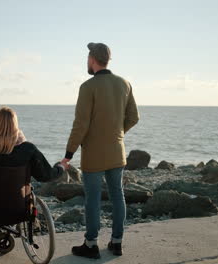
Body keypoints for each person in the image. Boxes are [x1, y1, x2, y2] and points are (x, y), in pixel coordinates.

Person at [62, 43, 139, 259]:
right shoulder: (125, 83)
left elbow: (81, 125)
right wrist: (117, 133)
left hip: (94, 155)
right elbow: (134, 117)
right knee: (117, 195)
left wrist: (68, 154)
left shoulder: (88, 87)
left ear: (92, 59)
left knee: (93, 200)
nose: (87, 61)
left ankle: (91, 244)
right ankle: (117, 243)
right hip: (117, 150)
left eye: (88, 57)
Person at [0, 106, 65, 239]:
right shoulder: (28, 149)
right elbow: (45, 175)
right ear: (16, 125)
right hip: (19, 210)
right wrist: (60, 168)